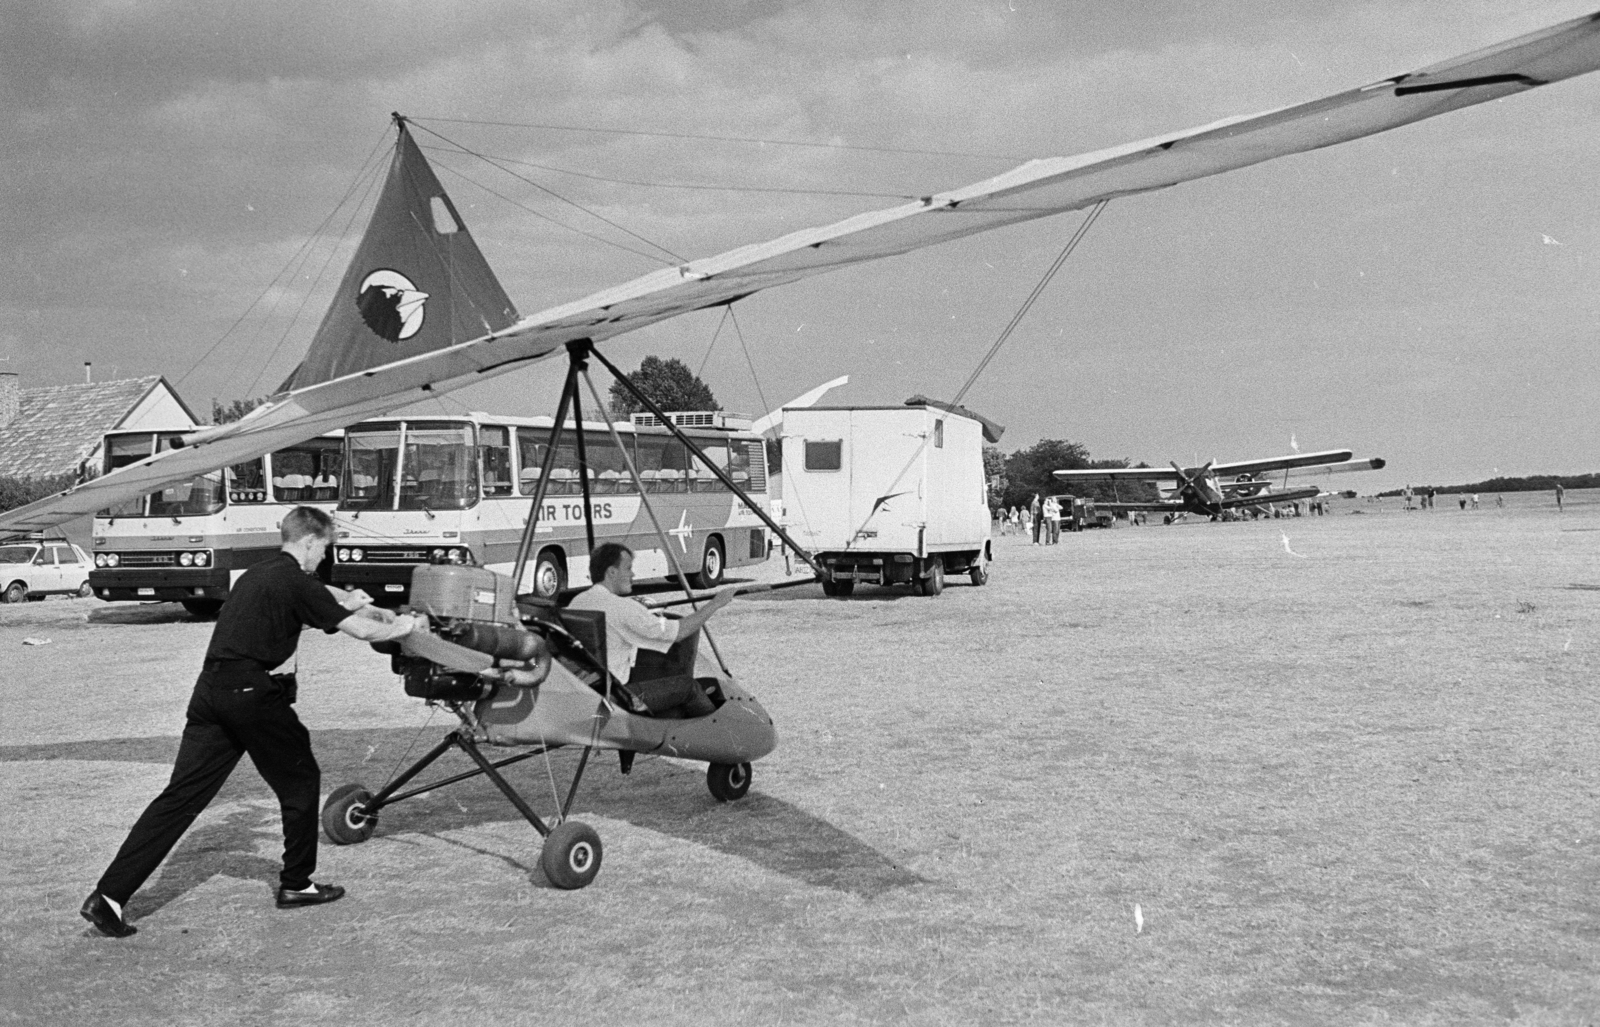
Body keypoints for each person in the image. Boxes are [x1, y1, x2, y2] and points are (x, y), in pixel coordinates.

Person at [80, 507, 422, 939]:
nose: (325, 557)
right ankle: (297, 884)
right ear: (311, 542)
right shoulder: (296, 580)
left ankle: (108, 897)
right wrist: (405, 626)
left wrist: (348, 601)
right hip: (253, 693)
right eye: (325, 548)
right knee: (300, 782)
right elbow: (363, 632)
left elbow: (322, 596)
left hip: (211, 692)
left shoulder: (258, 575)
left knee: (181, 796)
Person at [567, 543, 733, 718]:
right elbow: (679, 632)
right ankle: (722, 735)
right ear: (611, 572)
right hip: (617, 698)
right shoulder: (623, 608)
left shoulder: (578, 601)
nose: (633, 575)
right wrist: (716, 603)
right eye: (628, 568)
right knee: (688, 686)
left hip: (586, 691)